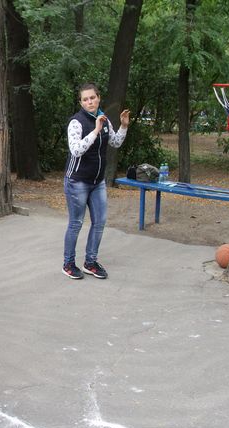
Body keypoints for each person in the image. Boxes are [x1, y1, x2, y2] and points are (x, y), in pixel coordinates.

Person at [62, 83, 129, 280]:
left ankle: (90, 262)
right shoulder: (76, 122)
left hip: (97, 181)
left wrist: (124, 126)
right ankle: (68, 264)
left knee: (99, 222)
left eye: (92, 98)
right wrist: (95, 130)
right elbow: (76, 150)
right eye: (85, 99)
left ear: (98, 98)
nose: (89, 102)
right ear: (81, 103)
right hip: (77, 181)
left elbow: (115, 142)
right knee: (76, 223)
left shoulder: (104, 120)